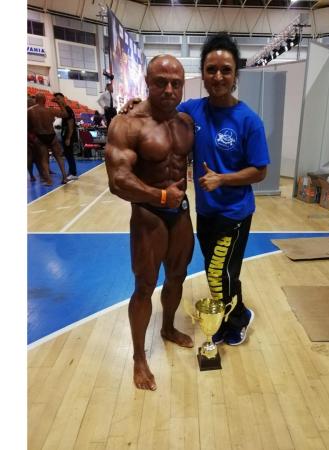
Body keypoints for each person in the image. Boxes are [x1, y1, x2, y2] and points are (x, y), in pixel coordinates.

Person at [121, 33, 269, 346]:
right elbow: (160, 107)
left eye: (226, 70)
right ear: (202, 74)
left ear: (235, 75)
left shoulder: (249, 120)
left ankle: (237, 319)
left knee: (219, 272)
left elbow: (260, 171)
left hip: (234, 213)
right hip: (204, 212)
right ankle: (236, 312)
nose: (218, 76)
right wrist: (137, 104)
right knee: (221, 272)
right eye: (211, 69)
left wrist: (222, 179)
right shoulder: (192, 110)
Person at [105, 55, 195, 391]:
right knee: (144, 287)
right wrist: (159, 196)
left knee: (178, 276)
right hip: (148, 215)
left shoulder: (187, 120)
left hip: (180, 213)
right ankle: (139, 358)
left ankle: (168, 327)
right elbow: (118, 180)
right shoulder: (127, 124)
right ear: (147, 82)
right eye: (161, 82)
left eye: (176, 83)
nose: (169, 89)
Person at [27, 93, 69, 186]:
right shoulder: (50, 110)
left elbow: (28, 127)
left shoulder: (29, 111)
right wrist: (59, 103)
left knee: (44, 160)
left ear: (36, 100)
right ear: (45, 100)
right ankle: (65, 177)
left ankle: (49, 181)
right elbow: (65, 114)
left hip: (39, 136)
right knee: (59, 157)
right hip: (51, 135)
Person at [53, 92, 79, 181]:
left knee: (69, 154)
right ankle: (71, 171)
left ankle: (73, 173)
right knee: (68, 154)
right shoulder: (64, 109)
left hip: (68, 135)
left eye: (59, 98)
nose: (57, 100)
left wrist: (68, 138)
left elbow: (70, 124)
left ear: (63, 98)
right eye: (56, 99)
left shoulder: (68, 109)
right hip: (65, 134)